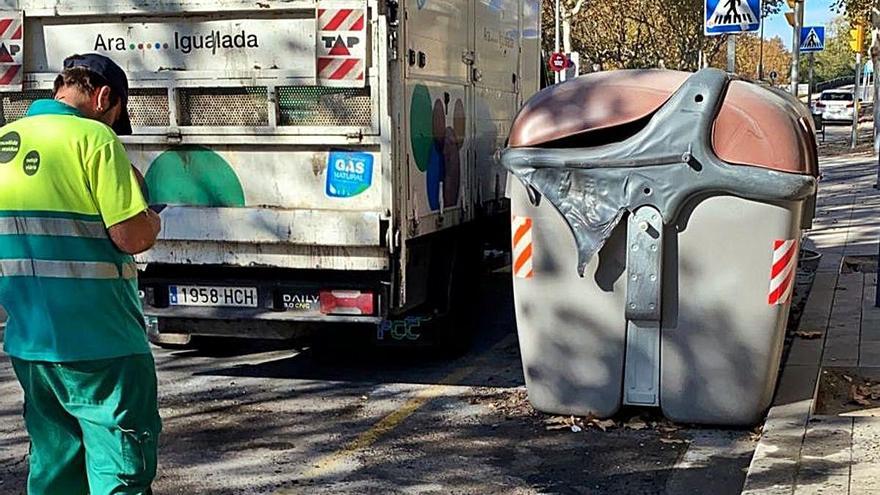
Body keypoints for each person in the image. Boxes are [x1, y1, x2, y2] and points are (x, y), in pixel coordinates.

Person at [0, 53, 162, 494]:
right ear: (104, 97)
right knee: (119, 470)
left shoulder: (5, 139)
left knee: (55, 471)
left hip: (31, 343)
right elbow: (130, 236)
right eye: (115, 116)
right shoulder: (95, 139)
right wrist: (152, 219)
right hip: (102, 344)